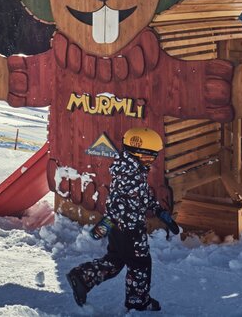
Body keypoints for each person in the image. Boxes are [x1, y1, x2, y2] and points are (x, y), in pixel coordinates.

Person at [66, 128, 178, 312]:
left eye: (153, 158)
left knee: (115, 261)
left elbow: (140, 196)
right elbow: (119, 204)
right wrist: (109, 225)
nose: (150, 162)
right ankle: (138, 301)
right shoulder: (131, 175)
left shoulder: (130, 169)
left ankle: (83, 277)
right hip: (130, 229)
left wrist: (158, 211)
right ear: (137, 153)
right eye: (148, 158)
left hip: (121, 229)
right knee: (140, 264)